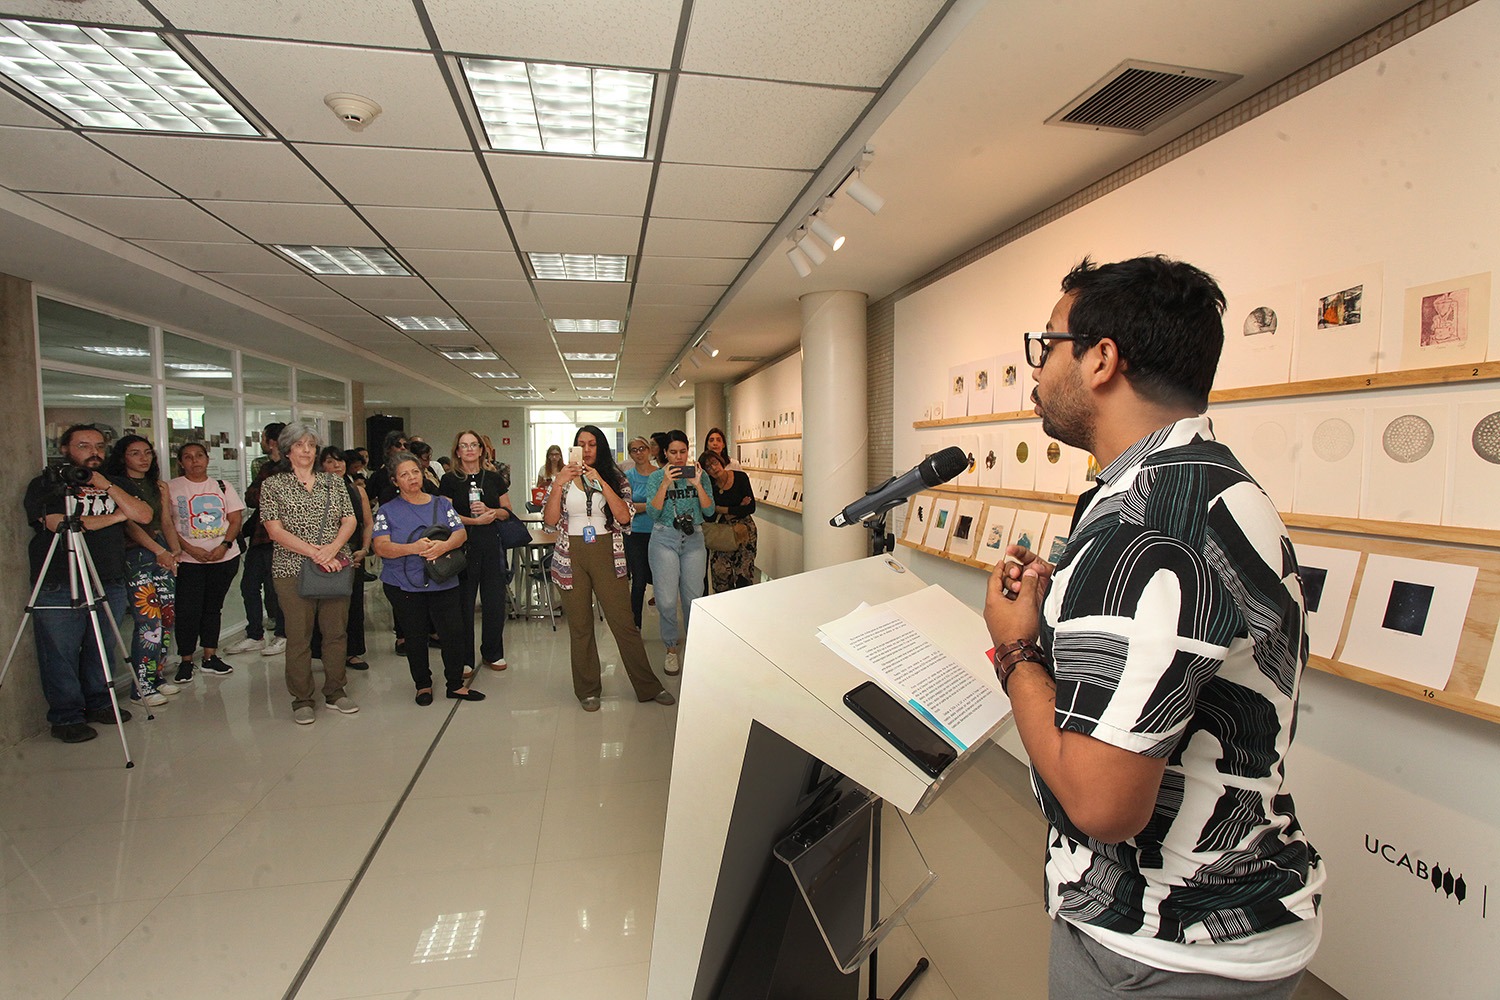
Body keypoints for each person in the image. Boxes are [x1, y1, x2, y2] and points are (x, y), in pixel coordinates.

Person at [983, 256, 1324, 1000]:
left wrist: (1015, 649)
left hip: (1163, 952)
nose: (1037, 369)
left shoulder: (1144, 531)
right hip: (1224, 921)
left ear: (1101, 359)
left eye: (1048, 345)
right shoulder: (1213, 484)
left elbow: (1103, 806)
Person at [23, 424, 150, 742]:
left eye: (99, 446)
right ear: (65, 449)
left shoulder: (114, 483)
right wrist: (117, 517)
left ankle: (100, 702)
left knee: (102, 646)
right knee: (60, 652)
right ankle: (66, 716)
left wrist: (106, 486)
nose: (94, 452)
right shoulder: (47, 484)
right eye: (84, 446)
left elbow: (144, 515)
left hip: (107, 578)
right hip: (59, 580)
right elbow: (59, 523)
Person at [541, 425, 673, 711]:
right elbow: (549, 522)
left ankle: (648, 686)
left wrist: (601, 481)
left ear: (600, 447)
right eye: (581, 444)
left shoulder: (616, 477)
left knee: (624, 623)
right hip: (570, 556)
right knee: (580, 627)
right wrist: (558, 484)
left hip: (607, 554)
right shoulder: (563, 479)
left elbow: (624, 517)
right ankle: (588, 689)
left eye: (592, 444)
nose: (586, 449)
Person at [257, 421, 358, 725]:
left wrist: (333, 549)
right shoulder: (274, 485)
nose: (306, 451)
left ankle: (335, 690)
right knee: (299, 636)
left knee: (336, 632)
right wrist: (316, 553)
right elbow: (274, 530)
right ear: (287, 450)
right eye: (299, 445)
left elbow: (349, 520)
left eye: (311, 445)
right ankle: (301, 698)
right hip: (292, 569)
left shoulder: (333, 483)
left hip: (334, 566)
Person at [372, 451, 483, 706]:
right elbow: (381, 547)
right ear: (395, 481)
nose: (412, 477)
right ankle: (422, 684)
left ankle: (455, 684)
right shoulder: (387, 511)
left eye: (415, 472)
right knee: (415, 635)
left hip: (443, 579)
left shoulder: (441, 504)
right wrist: (413, 548)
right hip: (403, 583)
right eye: (404, 474)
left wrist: (443, 546)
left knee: (453, 633)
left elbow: (460, 533)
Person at [104, 435, 181, 706]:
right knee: (149, 621)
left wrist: (174, 552)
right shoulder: (117, 487)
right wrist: (158, 550)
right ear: (122, 457)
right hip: (136, 555)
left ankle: (157, 675)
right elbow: (130, 525)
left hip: (163, 553)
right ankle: (142, 686)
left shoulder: (158, 486)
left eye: (147, 452)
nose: (143, 458)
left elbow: (166, 521)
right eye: (135, 453)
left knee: (167, 616)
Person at [164, 441, 244, 684]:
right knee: (188, 610)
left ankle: (210, 656)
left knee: (212, 607)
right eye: (188, 457)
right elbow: (167, 524)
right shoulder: (171, 487)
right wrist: (189, 549)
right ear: (181, 462)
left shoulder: (222, 486)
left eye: (199, 455)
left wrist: (224, 546)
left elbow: (235, 519)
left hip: (224, 558)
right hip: (188, 560)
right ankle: (186, 660)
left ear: (207, 459)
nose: (194, 461)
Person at [440, 429, 515, 674]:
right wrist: (474, 521)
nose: (470, 449)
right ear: (457, 451)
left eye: (474, 445)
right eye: (464, 445)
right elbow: (446, 516)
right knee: (464, 604)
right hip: (462, 547)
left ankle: (493, 652)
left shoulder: (493, 478)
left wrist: (492, 512)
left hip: (491, 545)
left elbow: (507, 511)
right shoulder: (449, 480)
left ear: (482, 450)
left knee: (494, 602)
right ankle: (464, 658)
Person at [644, 430, 714, 677]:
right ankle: (671, 648)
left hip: (694, 539)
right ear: (665, 453)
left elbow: (709, 511)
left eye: (683, 451)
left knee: (693, 599)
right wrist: (665, 483)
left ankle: (694, 646)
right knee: (665, 600)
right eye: (673, 452)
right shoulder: (656, 477)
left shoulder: (699, 475)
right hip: (664, 539)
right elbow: (652, 513)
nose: (678, 457)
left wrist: (697, 484)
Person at [227, 422, 286, 657]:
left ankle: (283, 634)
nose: (261, 442)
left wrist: (268, 494)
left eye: (263, 438)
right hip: (260, 537)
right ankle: (254, 635)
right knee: (249, 586)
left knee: (277, 589)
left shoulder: (290, 469)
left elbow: (282, 500)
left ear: (272, 442)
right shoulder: (266, 468)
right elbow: (251, 498)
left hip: (281, 539)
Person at [311, 446, 372, 670]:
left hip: (354, 555)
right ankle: (323, 652)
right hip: (325, 556)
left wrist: (365, 548)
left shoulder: (357, 490)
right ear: (321, 465)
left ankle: (352, 652)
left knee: (353, 605)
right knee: (325, 606)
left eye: (340, 461)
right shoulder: (315, 491)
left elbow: (368, 523)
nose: (337, 465)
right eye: (330, 461)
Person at [701, 451, 757, 592]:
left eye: (715, 462)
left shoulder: (740, 478)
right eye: (708, 467)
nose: (713, 468)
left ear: (721, 461)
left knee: (743, 577)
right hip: (720, 534)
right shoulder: (709, 486)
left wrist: (722, 509)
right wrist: (738, 506)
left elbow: (751, 507)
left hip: (744, 532)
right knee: (721, 577)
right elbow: (709, 514)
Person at [622, 436, 656, 627]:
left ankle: (668, 626)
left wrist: (641, 506)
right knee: (638, 581)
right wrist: (652, 505)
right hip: (635, 534)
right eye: (634, 450)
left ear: (649, 450)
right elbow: (626, 507)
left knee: (662, 580)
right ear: (630, 454)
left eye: (642, 448)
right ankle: (635, 626)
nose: (639, 453)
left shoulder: (660, 475)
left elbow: (665, 504)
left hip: (659, 533)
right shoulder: (628, 477)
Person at [365, 429, 408, 505]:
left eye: (405, 445)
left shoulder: (414, 472)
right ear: (388, 449)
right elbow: (366, 499)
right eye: (398, 445)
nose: (403, 448)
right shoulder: (379, 476)